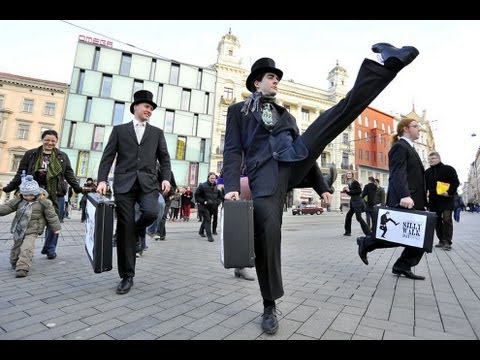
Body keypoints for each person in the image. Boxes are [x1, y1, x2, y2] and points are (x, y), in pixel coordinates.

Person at [223, 43, 419, 334]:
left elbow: (310, 153)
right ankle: (269, 304)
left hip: (293, 162)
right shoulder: (239, 111)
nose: (276, 80)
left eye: (277, 77)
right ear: (256, 81)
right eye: (271, 77)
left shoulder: (286, 116)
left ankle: (386, 64)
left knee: (338, 114)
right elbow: (232, 150)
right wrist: (230, 187)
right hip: (265, 178)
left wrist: (321, 186)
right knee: (268, 238)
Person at [96, 90, 171, 295]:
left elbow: (164, 158)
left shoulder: (156, 133)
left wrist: (165, 177)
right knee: (124, 228)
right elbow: (107, 156)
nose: (150, 110)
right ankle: (127, 276)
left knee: (151, 213)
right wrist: (102, 180)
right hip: (124, 185)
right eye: (147, 106)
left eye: (152, 108)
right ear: (136, 107)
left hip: (148, 183)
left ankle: (136, 231)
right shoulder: (120, 130)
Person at [357, 118, 427, 280]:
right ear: (405, 129)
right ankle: (367, 243)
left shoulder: (410, 148)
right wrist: (404, 195)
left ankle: (401, 265)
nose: (419, 130)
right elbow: (397, 173)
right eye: (416, 126)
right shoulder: (400, 147)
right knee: (407, 235)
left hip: (414, 198)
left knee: (417, 236)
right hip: (405, 199)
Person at [0, 129, 84, 260]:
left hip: (56, 194)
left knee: (53, 220)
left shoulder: (62, 156)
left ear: (56, 141)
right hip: (33, 193)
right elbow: (20, 173)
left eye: (53, 141)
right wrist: (7, 189)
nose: (50, 143)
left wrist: (79, 189)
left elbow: (69, 175)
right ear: (42, 140)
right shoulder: (30, 154)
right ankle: (25, 246)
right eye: (47, 140)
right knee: (29, 219)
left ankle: (50, 249)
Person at [1, 175, 61, 278]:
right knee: (17, 247)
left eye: (30, 195)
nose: (28, 197)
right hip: (19, 229)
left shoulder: (44, 202)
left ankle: (23, 267)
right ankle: (15, 261)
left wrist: (56, 228)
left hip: (33, 230)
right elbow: (8, 207)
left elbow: (52, 215)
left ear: (36, 193)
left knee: (27, 248)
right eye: (25, 195)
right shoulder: (19, 200)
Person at [425, 151, 460, 251]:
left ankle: (447, 242)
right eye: (429, 159)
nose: (430, 161)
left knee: (447, 219)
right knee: (436, 221)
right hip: (433, 201)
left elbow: (455, 182)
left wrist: (449, 192)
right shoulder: (427, 172)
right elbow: (424, 187)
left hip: (446, 199)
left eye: (433, 159)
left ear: (439, 159)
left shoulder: (448, 169)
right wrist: (425, 196)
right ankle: (441, 240)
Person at [195, 172, 223, 242]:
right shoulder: (202, 185)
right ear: (208, 178)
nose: (213, 179)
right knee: (208, 220)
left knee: (206, 219)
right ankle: (209, 236)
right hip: (203, 206)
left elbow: (220, 197)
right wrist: (203, 201)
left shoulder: (217, 187)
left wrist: (217, 202)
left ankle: (201, 231)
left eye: (214, 178)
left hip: (212, 207)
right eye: (211, 178)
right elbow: (196, 195)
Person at [342, 171, 371, 236]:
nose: (348, 175)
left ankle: (368, 232)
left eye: (349, 174)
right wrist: (346, 191)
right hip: (353, 203)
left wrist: (349, 190)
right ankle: (348, 232)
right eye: (347, 174)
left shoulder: (355, 182)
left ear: (352, 175)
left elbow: (359, 191)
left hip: (357, 202)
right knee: (348, 216)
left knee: (359, 218)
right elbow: (352, 193)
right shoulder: (349, 183)